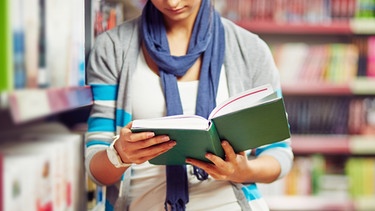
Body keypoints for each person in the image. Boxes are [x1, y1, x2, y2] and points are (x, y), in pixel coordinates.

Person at [85, 0, 294, 210]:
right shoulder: (112, 48)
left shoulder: (250, 50)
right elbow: (96, 169)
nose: (172, 2)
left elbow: (279, 153)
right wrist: (120, 154)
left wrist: (243, 171)